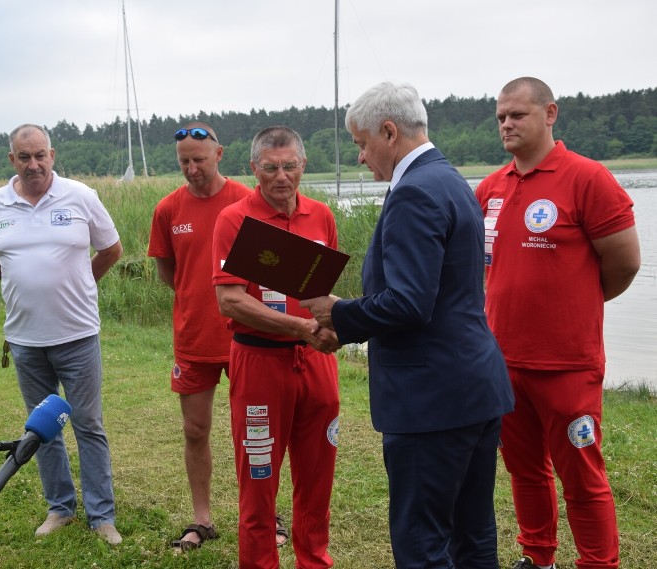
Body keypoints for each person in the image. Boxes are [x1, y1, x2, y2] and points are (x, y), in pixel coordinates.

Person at [301, 82, 515, 568]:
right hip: (474, 388)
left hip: (432, 401)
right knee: (473, 533)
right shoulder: (451, 180)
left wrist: (339, 313)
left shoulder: (414, 193)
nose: (359, 157)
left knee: (422, 542)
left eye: (360, 143)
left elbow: (408, 303)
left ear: (390, 132)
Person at [476, 77, 641, 569]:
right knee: (525, 471)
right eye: (501, 116)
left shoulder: (587, 177)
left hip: (567, 363)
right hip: (503, 361)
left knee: (582, 475)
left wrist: (577, 303)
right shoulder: (490, 187)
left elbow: (624, 263)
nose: (507, 123)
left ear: (550, 114)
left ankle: (597, 563)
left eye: (518, 114)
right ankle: (538, 558)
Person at [0, 124, 124, 545]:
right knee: (42, 429)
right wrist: (29, 285)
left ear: (53, 155)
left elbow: (111, 249)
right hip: (25, 339)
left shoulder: (81, 196)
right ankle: (60, 508)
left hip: (77, 335)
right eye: (24, 157)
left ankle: (102, 516)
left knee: (88, 424)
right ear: (12, 160)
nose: (33, 164)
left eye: (40, 155)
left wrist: (81, 282)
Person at [148, 123, 291, 551]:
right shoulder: (168, 210)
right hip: (194, 339)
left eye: (199, 160)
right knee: (195, 430)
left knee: (255, 432)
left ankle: (267, 515)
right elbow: (169, 273)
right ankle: (202, 520)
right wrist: (198, 300)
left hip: (247, 339)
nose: (191, 169)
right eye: (184, 163)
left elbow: (273, 268)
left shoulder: (248, 202)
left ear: (220, 154)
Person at [212, 125, 341, 569]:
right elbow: (229, 299)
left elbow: (324, 294)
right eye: (270, 168)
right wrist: (300, 328)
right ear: (254, 168)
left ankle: (314, 560)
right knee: (259, 481)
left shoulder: (322, 216)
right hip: (260, 362)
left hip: (316, 365)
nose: (281, 176)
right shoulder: (235, 220)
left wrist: (332, 327)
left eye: (289, 166)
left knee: (318, 477)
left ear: (303, 165)